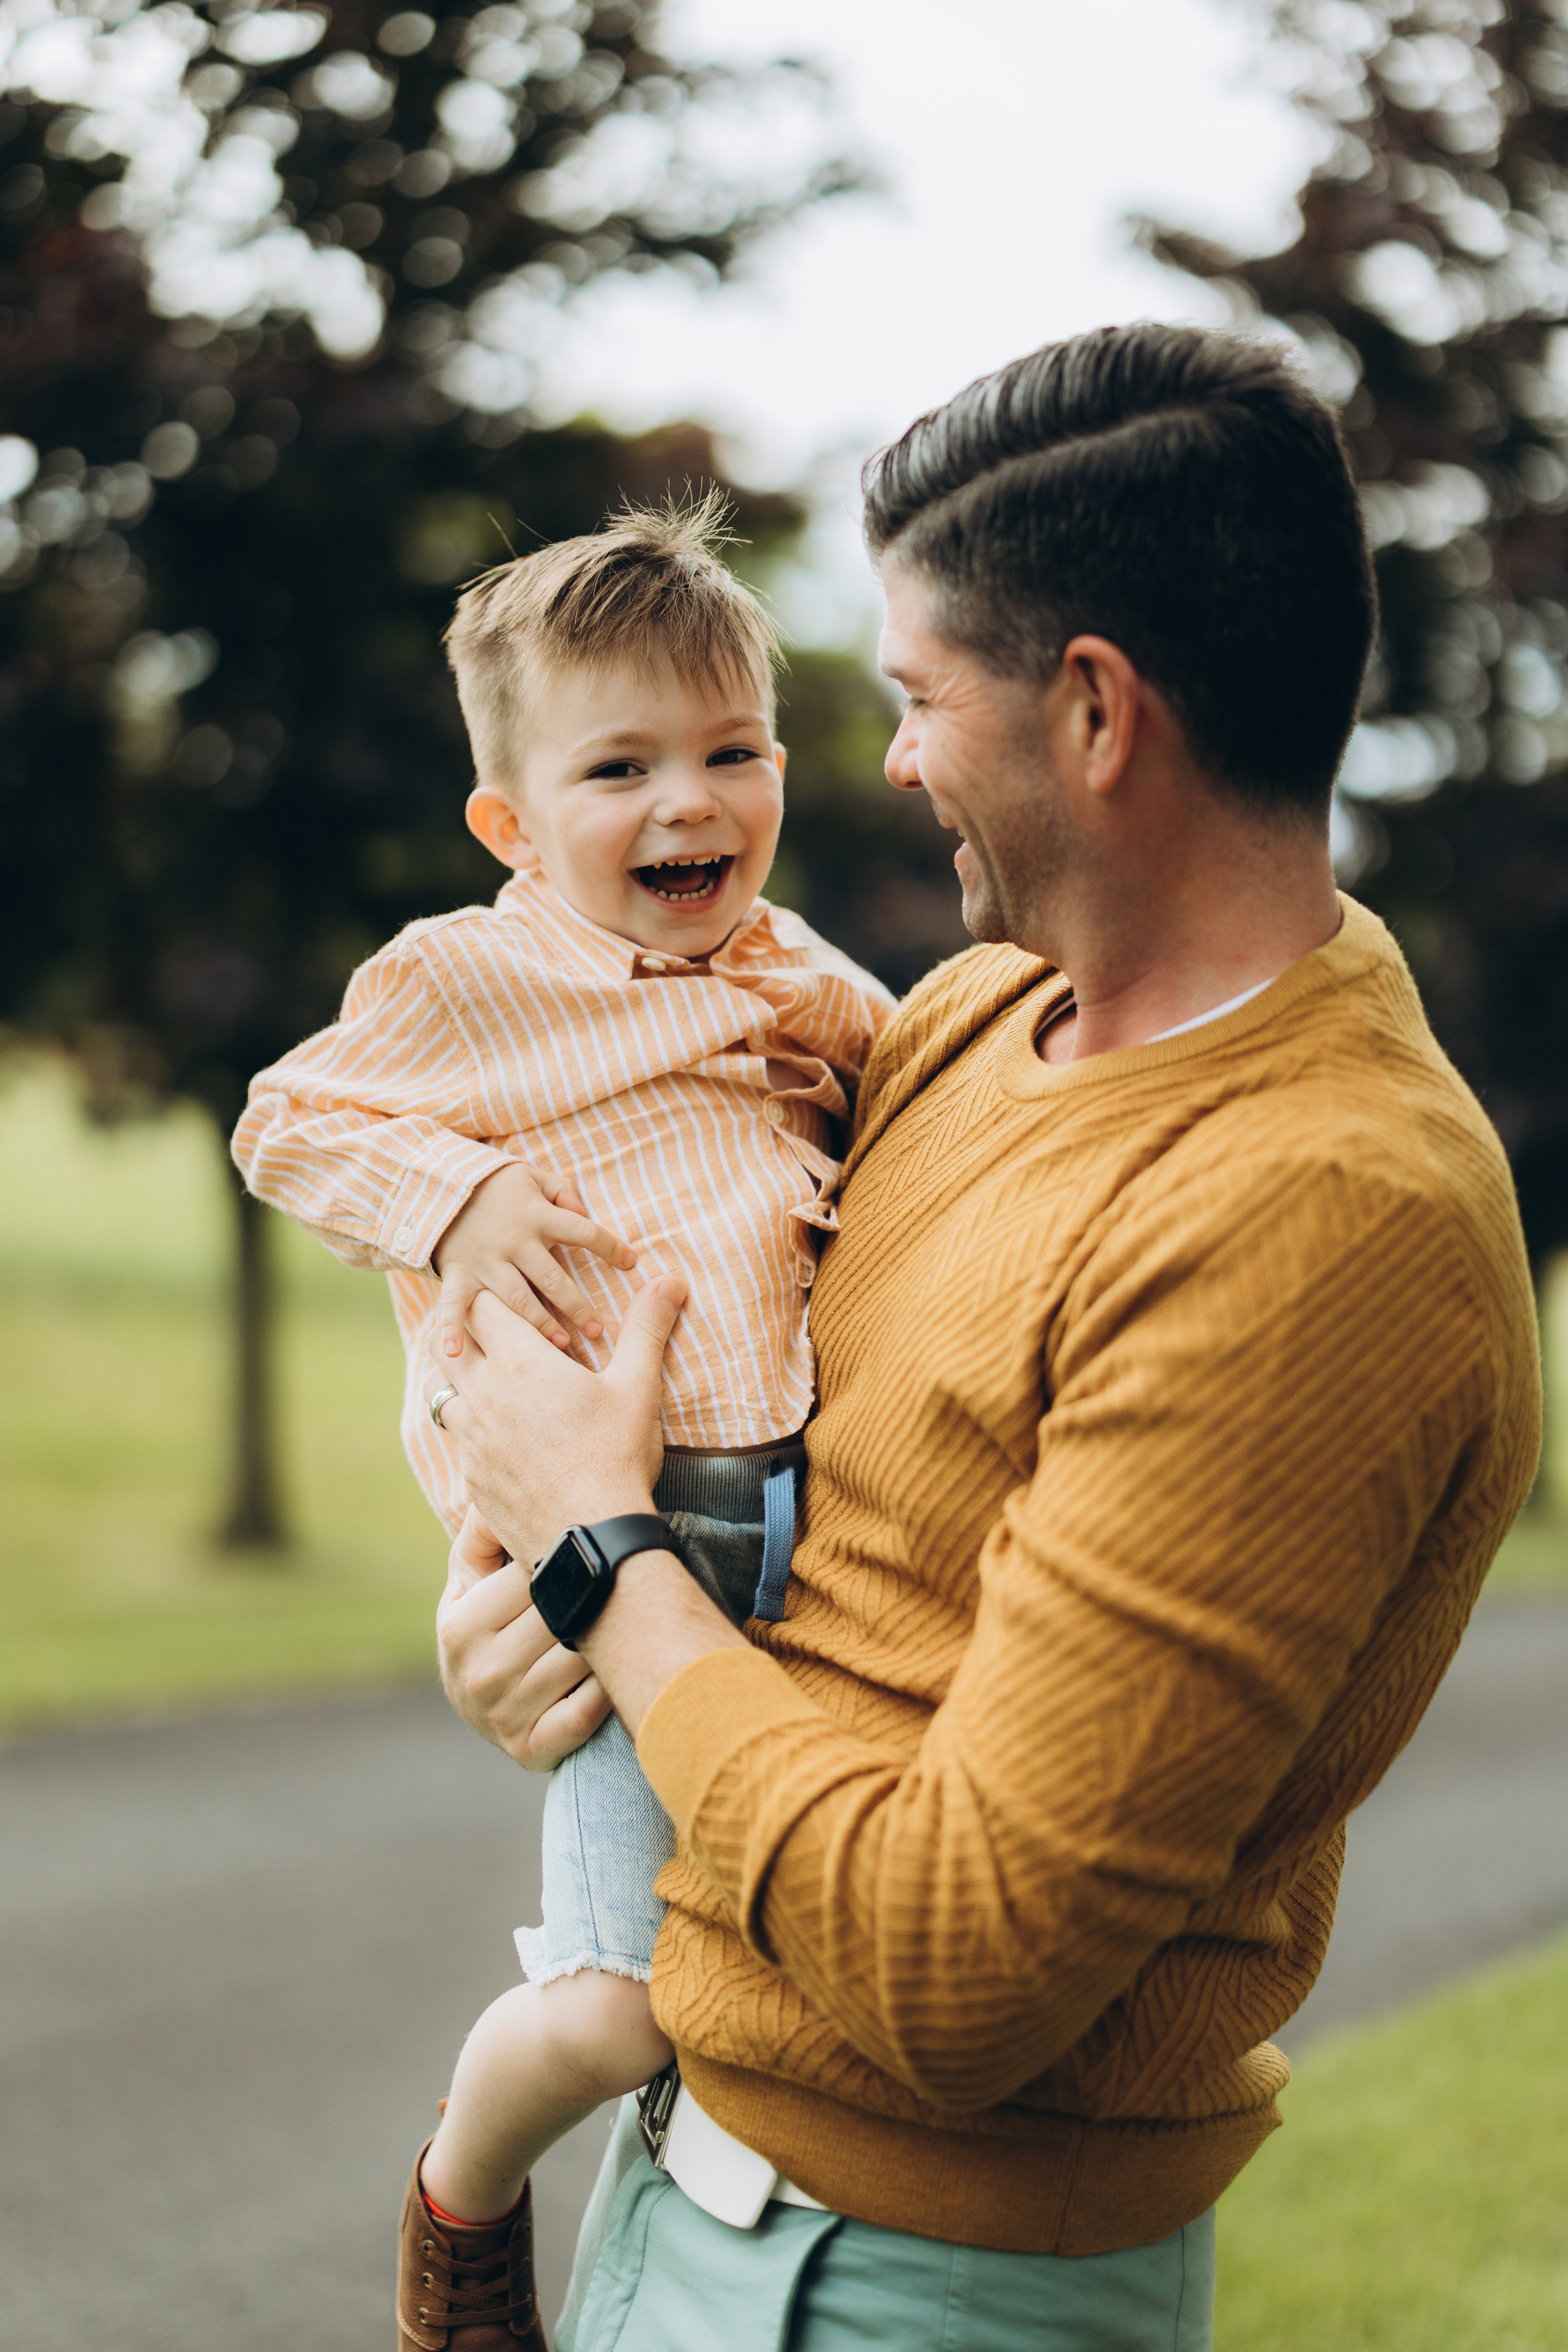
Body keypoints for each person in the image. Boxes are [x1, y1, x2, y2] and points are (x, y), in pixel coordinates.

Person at [429, 323, 1542, 2352]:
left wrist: (609, 1567)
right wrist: (515, 1602)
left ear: (1098, 714)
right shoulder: (961, 1022)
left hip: (917, 2289)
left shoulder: (1316, 1220)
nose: (894, 757)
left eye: (926, 696)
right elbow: (723, 1416)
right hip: (686, 2179)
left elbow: (964, 1969)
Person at [231, 497, 894, 2350]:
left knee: (795, 1949)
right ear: (513, 825)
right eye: (621, 768)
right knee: (624, 2005)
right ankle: (467, 2185)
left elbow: (916, 1080)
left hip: (810, 1533)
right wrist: (448, 1204)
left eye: (730, 752)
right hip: (617, 1543)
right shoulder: (462, 981)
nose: (690, 804)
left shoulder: (793, 973)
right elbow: (284, 1120)